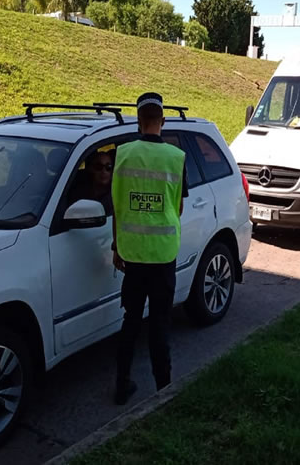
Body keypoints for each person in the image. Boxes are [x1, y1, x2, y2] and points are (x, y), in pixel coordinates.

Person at [111, 92, 188, 405]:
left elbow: (117, 205)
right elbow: (178, 208)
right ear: (163, 122)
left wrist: (117, 246)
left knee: (130, 320)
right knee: (159, 323)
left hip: (131, 253)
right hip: (163, 254)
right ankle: (164, 389)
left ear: (138, 121)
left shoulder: (123, 154)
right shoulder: (176, 157)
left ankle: (121, 385)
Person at [70, 150, 114, 215]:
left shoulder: (116, 196)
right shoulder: (79, 193)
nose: (104, 171)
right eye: (99, 167)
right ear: (90, 168)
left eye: (108, 167)